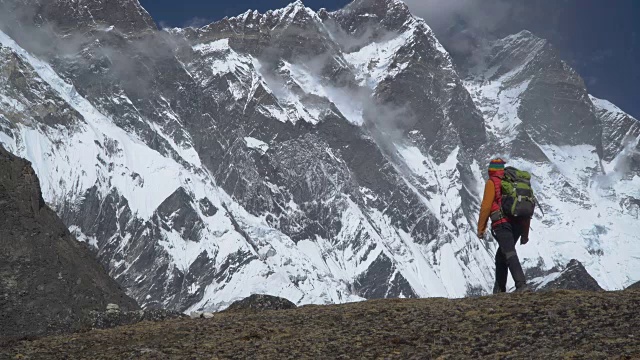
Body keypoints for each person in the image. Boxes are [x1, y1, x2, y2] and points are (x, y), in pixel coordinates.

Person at [477, 158, 531, 293]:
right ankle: (499, 290)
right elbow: (526, 210)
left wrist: (481, 228)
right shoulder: (514, 183)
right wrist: (525, 234)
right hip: (517, 224)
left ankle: (521, 285)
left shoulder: (492, 183)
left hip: (501, 223)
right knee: (501, 256)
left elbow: (486, 206)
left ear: (491, 170)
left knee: (509, 253)